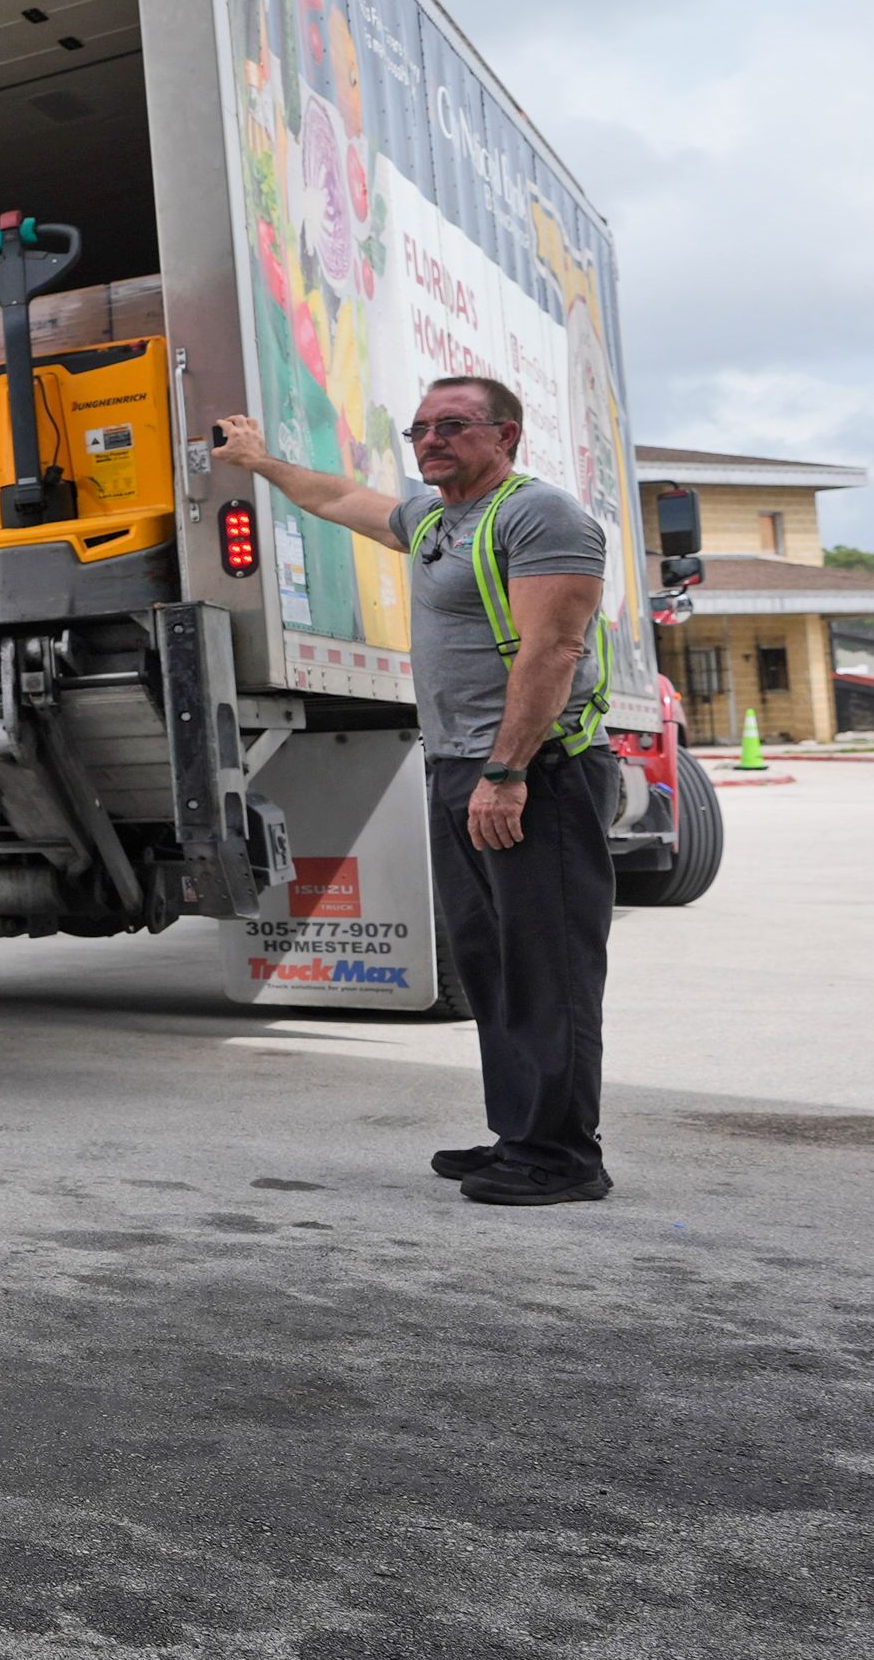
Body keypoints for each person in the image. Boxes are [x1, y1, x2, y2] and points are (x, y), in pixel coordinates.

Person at [212, 378, 617, 1205]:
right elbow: (340, 497)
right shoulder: (434, 519)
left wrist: (506, 774)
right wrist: (257, 462)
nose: (432, 440)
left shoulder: (542, 516)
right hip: (461, 765)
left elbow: (554, 651)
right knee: (492, 960)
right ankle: (522, 1135)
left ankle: (565, 1156)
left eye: (455, 426)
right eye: (421, 428)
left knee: (549, 965)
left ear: (505, 435)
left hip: (537, 768)